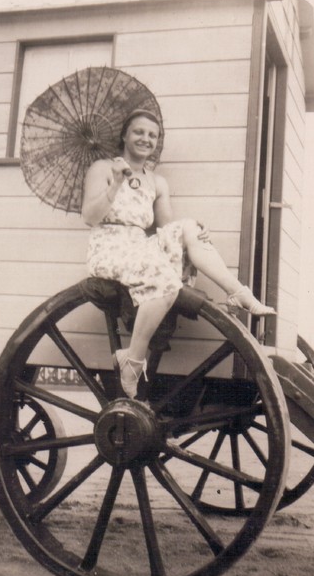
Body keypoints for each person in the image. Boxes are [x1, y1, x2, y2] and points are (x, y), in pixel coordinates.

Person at [82, 109, 275, 399]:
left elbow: (166, 227)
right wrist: (117, 183)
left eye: (152, 135)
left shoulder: (156, 182)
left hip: (137, 246)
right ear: (124, 135)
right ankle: (132, 361)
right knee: (167, 279)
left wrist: (195, 232)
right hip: (109, 247)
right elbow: (90, 217)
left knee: (188, 227)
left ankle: (238, 293)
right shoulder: (102, 168)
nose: (145, 139)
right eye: (138, 132)